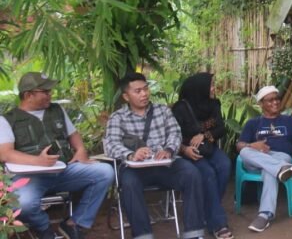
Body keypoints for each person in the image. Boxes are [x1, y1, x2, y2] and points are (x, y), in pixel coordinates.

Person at [0, 72, 113, 239]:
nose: (50, 94)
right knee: (22, 204)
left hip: (63, 171)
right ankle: (44, 228)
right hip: (29, 179)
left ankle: (75, 224)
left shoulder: (57, 110)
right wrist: (38, 161)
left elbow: (73, 134)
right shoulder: (7, 120)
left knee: (105, 172)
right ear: (28, 95)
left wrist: (80, 149)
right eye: (45, 92)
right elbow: (5, 154)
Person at [104, 72, 206, 239]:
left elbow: (175, 133)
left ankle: (194, 233)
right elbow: (111, 144)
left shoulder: (163, 111)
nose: (144, 94)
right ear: (126, 96)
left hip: (165, 165)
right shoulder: (118, 118)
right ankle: (143, 235)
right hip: (135, 169)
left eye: (146, 89)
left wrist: (169, 150)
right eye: (137, 91)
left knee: (191, 173)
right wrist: (131, 154)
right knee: (129, 183)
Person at [237, 85, 292, 233]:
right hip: (258, 159)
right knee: (245, 151)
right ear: (261, 104)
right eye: (270, 100)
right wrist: (252, 145)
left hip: (280, 156)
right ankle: (280, 169)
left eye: (277, 98)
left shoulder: (289, 121)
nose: (275, 102)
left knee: (269, 171)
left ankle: (264, 215)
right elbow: (239, 145)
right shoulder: (253, 123)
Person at [172, 73, 234, 239]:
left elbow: (220, 128)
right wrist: (184, 149)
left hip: (208, 148)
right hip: (188, 152)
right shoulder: (180, 109)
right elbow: (173, 135)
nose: (214, 88)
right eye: (211, 85)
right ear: (199, 88)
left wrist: (204, 135)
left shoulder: (213, 104)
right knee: (208, 173)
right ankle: (218, 223)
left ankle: (209, 210)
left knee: (225, 165)